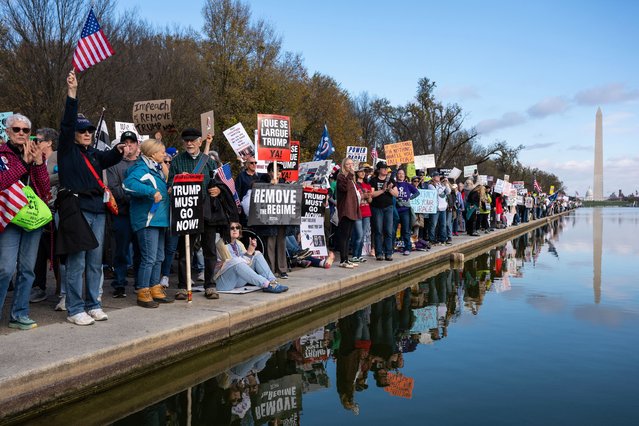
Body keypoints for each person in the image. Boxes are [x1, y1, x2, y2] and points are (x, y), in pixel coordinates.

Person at [58, 70, 124, 326]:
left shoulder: (95, 154)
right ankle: (75, 309)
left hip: (97, 210)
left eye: (89, 130)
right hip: (76, 210)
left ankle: (93, 304)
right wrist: (72, 94)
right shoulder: (66, 151)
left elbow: (110, 159)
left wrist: (119, 150)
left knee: (95, 261)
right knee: (77, 262)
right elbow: (66, 124)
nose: (87, 133)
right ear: (74, 133)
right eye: (82, 130)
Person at [0, 114, 50, 330]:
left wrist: (38, 163)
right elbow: (2, 181)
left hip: (32, 218)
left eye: (25, 130)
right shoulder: (2, 153)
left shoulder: (35, 152)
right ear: (8, 132)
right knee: (5, 268)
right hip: (10, 217)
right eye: (17, 129)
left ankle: (19, 314)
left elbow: (44, 188)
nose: (21, 133)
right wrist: (23, 163)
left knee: (28, 269)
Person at [168, 129, 220, 300]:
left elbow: (218, 183)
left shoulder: (209, 162)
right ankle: (183, 286)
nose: (189, 143)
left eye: (192, 140)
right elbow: (169, 188)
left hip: (207, 210)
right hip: (187, 212)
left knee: (210, 250)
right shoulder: (176, 162)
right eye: (186, 141)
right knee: (185, 251)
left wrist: (217, 189)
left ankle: (210, 285)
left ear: (199, 142)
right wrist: (178, 181)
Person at [123, 139, 172, 308]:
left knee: (159, 257)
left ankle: (155, 288)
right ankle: (143, 291)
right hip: (147, 219)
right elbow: (128, 185)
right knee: (149, 258)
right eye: (161, 152)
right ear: (152, 154)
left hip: (159, 220)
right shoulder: (140, 168)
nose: (164, 155)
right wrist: (151, 192)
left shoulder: (157, 169)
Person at [107, 131, 140, 298]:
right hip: (122, 214)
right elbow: (115, 190)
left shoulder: (143, 163)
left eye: (131, 142)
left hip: (140, 215)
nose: (129, 145)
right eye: (125, 142)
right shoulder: (114, 165)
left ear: (137, 144)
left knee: (141, 250)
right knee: (120, 250)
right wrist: (138, 192)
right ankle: (119, 283)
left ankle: (140, 284)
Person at [214, 222, 288, 293]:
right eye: (232, 228)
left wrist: (251, 251)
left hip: (237, 280)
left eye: (237, 227)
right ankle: (266, 284)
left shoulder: (238, 243)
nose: (235, 230)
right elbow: (232, 264)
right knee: (236, 262)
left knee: (257, 254)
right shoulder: (222, 244)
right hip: (223, 283)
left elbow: (245, 263)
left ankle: (272, 282)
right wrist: (248, 253)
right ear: (226, 230)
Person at [31, 128, 60, 304]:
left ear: (49, 142)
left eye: (39, 140)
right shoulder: (33, 157)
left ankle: (61, 287)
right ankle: (38, 287)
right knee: (38, 251)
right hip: (37, 210)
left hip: (55, 209)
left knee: (56, 250)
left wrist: (44, 177)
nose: (36, 143)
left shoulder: (58, 157)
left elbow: (63, 176)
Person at [369, 162, 398, 261]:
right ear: (378, 170)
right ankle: (379, 253)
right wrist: (383, 190)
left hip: (388, 208)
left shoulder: (391, 180)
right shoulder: (373, 180)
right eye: (383, 168)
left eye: (386, 168)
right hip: (377, 208)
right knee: (378, 231)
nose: (385, 170)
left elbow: (396, 194)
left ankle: (388, 253)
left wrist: (389, 190)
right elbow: (371, 194)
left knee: (388, 231)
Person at [336, 158, 361, 268]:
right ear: (344, 166)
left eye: (352, 164)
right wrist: (350, 175)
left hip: (352, 209)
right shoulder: (341, 177)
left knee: (349, 236)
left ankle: (346, 259)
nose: (350, 166)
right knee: (344, 236)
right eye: (348, 164)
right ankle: (342, 260)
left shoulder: (352, 179)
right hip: (345, 210)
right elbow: (344, 188)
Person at [394, 168, 419, 255]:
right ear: (397, 175)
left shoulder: (407, 185)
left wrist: (409, 199)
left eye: (402, 174)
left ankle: (407, 248)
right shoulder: (394, 184)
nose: (401, 175)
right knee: (393, 229)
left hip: (405, 210)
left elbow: (417, 192)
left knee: (406, 230)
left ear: (404, 176)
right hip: (396, 209)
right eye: (399, 173)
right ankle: (391, 247)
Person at [351, 163, 372, 262]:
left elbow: (370, 201)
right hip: (357, 212)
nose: (363, 173)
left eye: (364, 171)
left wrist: (369, 197)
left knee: (362, 236)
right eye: (361, 171)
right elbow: (353, 199)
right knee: (358, 235)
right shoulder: (354, 185)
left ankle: (359, 255)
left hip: (367, 212)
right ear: (357, 172)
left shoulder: (367, 185)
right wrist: (363, 196)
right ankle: (355, 255)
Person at [427, 171, 450, 245]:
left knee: (443, 224)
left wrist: (446, 184)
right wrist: (443, 186)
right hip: (435, 208)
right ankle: (432, 239)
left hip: (443, 208)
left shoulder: (441, 184)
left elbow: (448, 191)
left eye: (439, 176)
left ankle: (443, 238)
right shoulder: (430, 185)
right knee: (433, 224)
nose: (438, 177)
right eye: (437, 176)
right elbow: (436, 193)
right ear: (433, 177)